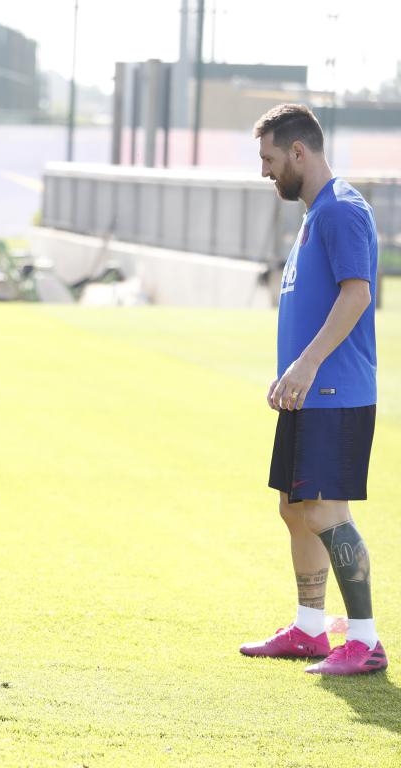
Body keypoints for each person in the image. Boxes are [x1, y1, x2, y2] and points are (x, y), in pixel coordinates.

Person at [240, 104, 386, 675]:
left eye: (270, 159)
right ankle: (308, 628)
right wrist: (293, 374)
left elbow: (357, 295)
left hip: (335, 392)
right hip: (308, 392)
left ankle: (366, 641)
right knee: (296, 508)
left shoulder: (342, 211)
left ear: (299, 152)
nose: (265, 171)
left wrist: (304, 366)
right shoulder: (315, 214)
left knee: (326, 511)